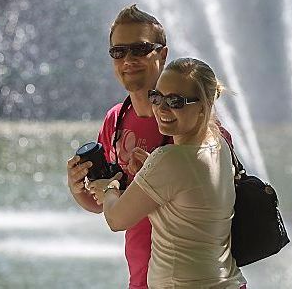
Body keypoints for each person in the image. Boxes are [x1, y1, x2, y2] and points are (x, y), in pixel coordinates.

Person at [87, 57, 247, 289]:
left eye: (175, 101)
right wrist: (150, 169)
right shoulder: (219, 144)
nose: (161, 108)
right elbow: (187, 193)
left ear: (203, 106)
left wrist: (110, 188)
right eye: (156, 96)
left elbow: (116, 219)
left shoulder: (170, 159)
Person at [64, 4, 170, 289]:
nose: (128, 59)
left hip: (195, 277)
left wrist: (156, 174)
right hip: (142, 279)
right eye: (118, 52)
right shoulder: (116, 118)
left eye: (140, 49)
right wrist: (78, 189)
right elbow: (105, 203)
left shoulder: (187, 115)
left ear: (162, 53)